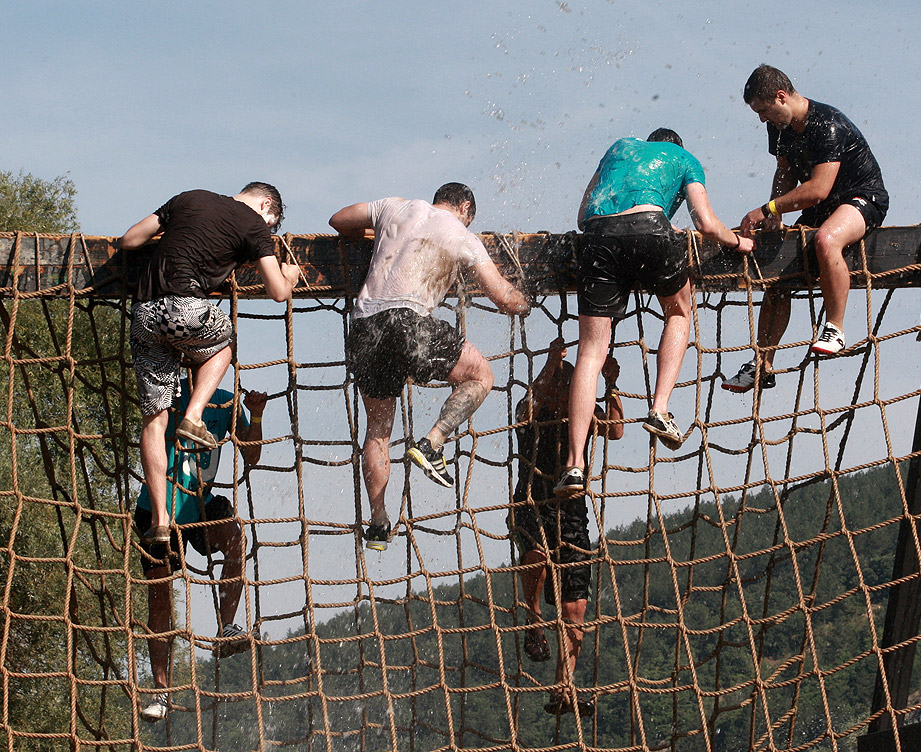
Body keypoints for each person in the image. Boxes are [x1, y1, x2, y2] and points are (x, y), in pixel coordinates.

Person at [328, 182, 529, 551]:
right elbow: (504, 298)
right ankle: (433, 442)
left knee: (378, 431)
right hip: (408, 322)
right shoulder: (462, 234)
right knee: (482, 375)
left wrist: (378, 235)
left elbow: (338, 219)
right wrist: (524, 299)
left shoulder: (394, 206)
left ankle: (378, 522)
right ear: (465, 207)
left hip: (363, 326)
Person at [555, 128, 753, 495]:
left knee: (591, 351)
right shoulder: (684, 159)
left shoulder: (618, 148)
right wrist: (739, 241)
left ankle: (574, 465)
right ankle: (659, 410)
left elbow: (584, 215)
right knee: (678, 313)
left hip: (598, 239)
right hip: (651, 231)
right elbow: (706, 223)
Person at [120, 182, 299, 544]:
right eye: (271, 221)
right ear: (266, 203)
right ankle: (194, 415)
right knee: (224, 345)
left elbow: (130, 241)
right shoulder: (253, 225)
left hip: (144, 313)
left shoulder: (189, 198)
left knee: (154, 418)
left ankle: (159, 519)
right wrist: (291, 277)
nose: (268, 228)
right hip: (183, 306)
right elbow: (278, 292)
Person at [723, 64, 889, 393]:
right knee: (777, 278)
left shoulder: (827, 124)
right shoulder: (779, 128)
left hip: (862, 198)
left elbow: (817, 189)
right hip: (823, 208)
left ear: (781, 97)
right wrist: (775, 213)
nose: (761, 119)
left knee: (827, 241)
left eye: (763, 110)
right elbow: (784, 171)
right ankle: (762, 363)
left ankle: (835, 329)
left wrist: (767, 208)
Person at [135, 379, 267, 723]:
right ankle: (161, 690)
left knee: (235, 535)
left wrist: (256, 416)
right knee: (160, 599)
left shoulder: (224, 402)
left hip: (199, 505)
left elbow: (251, 456)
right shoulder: (169, 391)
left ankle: (226, 627)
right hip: (158, 509)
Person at [509, 338, 623, 717]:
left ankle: (564, 688)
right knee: (537, 556)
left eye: (571, 386)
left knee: (576, 606)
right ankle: (533, 616)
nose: (565, 392)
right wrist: (549, 365)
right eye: (563, 385)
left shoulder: (582, 413)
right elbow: (524, 411)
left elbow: (617, 430)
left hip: (572, 509)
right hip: (533, 499)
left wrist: (609, 385)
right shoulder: (535, 408)